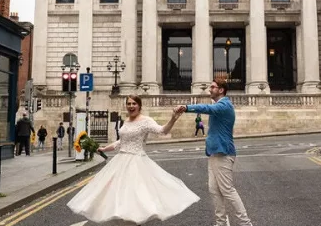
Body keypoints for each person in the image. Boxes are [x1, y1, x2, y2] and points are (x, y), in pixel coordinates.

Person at [67, 95, 199, 225]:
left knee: (135, 196)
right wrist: (104, 148)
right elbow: (121, 141)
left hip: (136, 161)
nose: (131, 106)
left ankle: (134, 222)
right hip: (120, 161)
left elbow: (162, 131)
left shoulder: (145, 121)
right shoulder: (126, 121)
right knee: (118, 196)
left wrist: (173, 119)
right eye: (129, 104)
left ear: (139, 106)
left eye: (134, 104)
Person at [175, 78, 253, 226]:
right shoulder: (220, 104)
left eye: (213, 87)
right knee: (214, 190)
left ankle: (245, 223)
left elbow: (207, 109)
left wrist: (186, 107)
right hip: (214, 153)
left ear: (221, 90)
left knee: (227, 190)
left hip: (223, 153)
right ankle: (221, 222)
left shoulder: (224, 105)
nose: (209, 89)